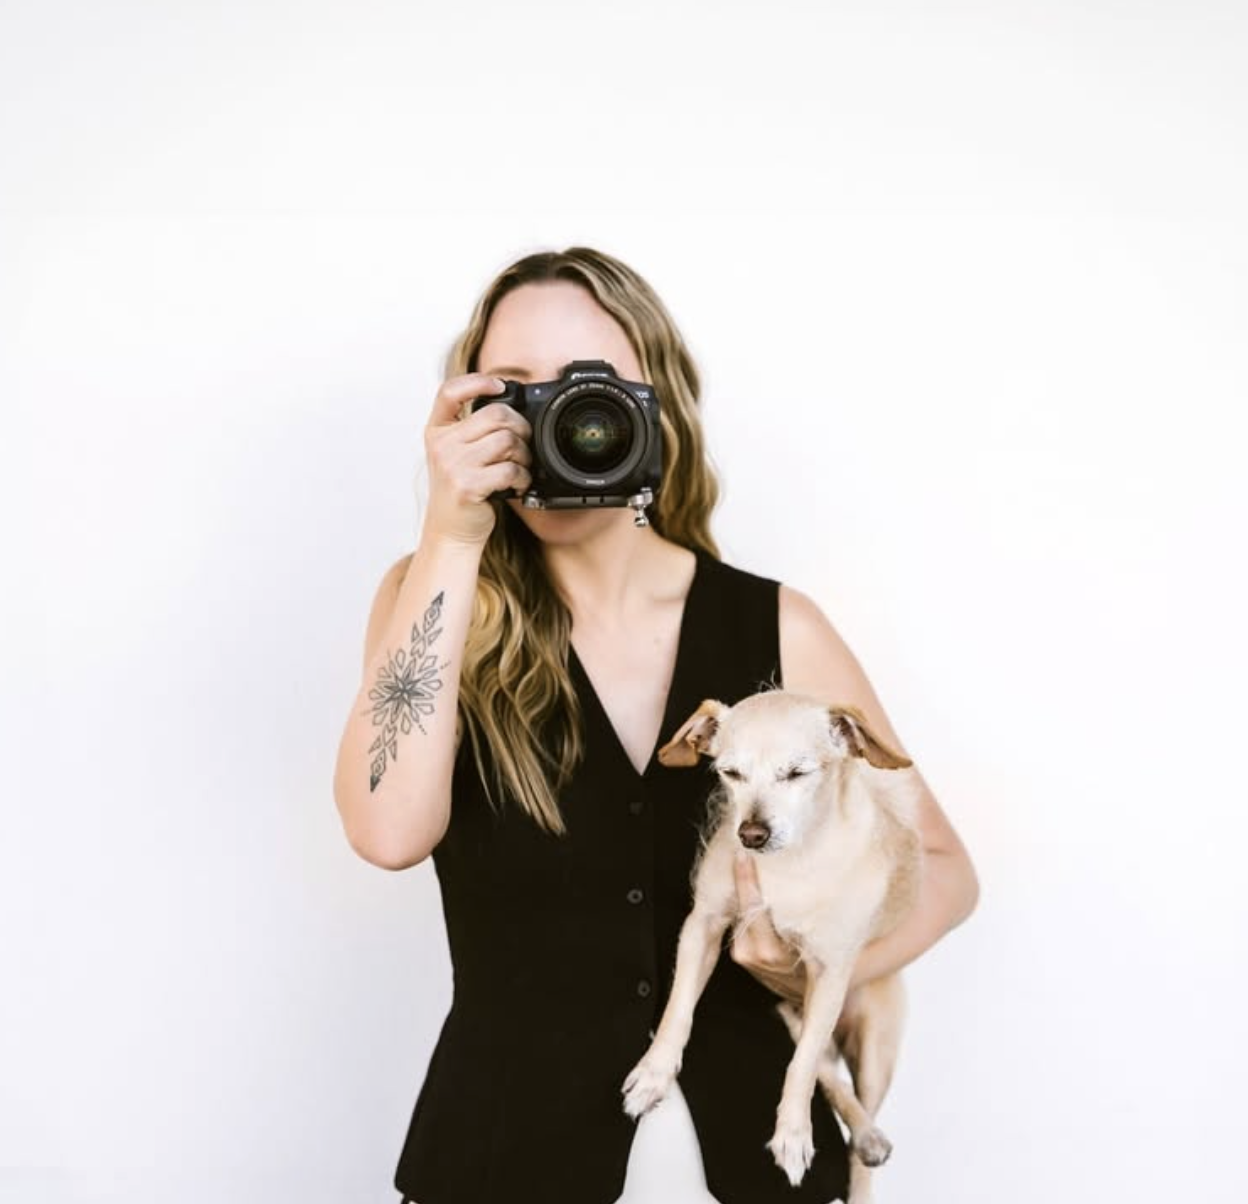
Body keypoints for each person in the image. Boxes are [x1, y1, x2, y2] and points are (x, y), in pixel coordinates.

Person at [333, 246, 980, 1204]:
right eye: (515, 390)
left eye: (587, 387)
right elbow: (388, 831)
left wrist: (812, 967)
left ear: (656, 405)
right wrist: (451, 534)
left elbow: (944, 867)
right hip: (502, 1165)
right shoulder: (434, 598)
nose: (557, 419)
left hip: (766, 1168)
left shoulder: (779, 626)